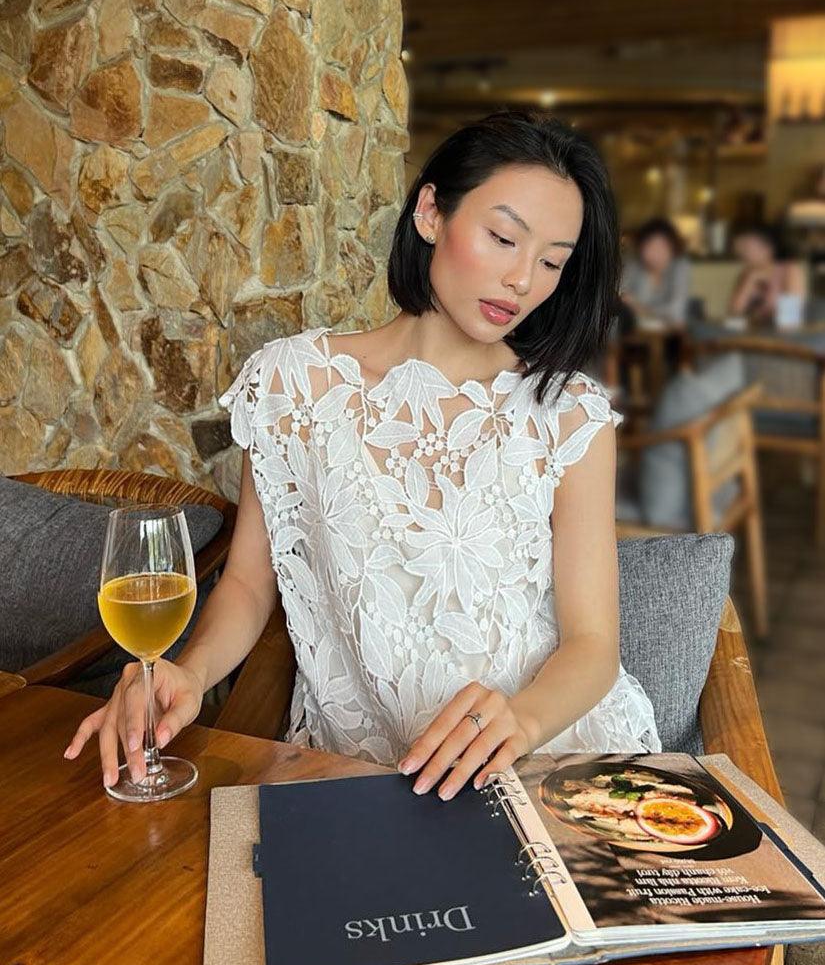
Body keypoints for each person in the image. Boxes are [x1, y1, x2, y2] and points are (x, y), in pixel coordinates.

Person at [64, 109, 661, 802]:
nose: (523, 280)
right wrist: (190, 673)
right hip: (359, 768)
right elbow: (251, 584)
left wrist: (519, 723)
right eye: (503, 238)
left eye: (553, 261)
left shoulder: (568, 413)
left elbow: (592, 647)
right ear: (431, 212)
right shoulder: (292, 384)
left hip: (549, 753)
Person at [728, 223, 806, 327]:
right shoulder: (747, 273)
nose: (741, 252)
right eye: (740, 248)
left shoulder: (790, 271)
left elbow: (790, 317)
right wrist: (750, 281)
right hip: (751, 334)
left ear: (767, 248)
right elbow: (733, 313)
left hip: (782, 336)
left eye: (746, 247)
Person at [619, 217, 691, 327]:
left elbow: (676, 312)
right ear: (641, 248)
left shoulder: (680, 267)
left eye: (662, 247)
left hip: (670, 334)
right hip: (634, 334)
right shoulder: (634, 265)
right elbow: (620, 297)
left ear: (673, 248)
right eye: (650, 246)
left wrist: (640, 308)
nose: (656, 254)